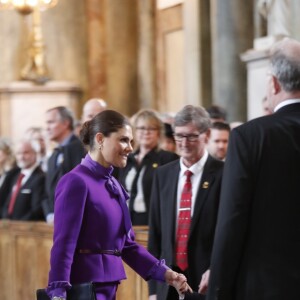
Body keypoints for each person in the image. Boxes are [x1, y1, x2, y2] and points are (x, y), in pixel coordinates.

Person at [46, 110, 190, 300]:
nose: (130, 148)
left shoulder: (113, 184)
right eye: (123, 140)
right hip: (82, 287)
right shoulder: (75, 181)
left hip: (109, 287)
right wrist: (58, 292)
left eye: (131, 141)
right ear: (100, 139)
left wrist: (166, 274)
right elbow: (64, 244)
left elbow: (127, 245)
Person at [206, 38, 300, 300]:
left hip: (266, 286)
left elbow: (232, 219)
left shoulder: (250, 137)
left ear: (274, 83)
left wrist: (217, 291)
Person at [148, 105, 224, 300]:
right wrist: (153, 290)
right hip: (168, 283)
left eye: (191, 136)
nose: (184, 142)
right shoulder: (163, 175)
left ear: (206, 135)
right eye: (179, 136)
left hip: (206, 281)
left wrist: (216, 269)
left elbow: (228, 232)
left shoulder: (224, 174)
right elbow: (156, 233)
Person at [117, 109, 178, 225]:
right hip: (127, 219)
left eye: (151, 128)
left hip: (153, 221)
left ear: (159, 132)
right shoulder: (127, 158)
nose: (146, 132)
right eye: (142, 128)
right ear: (134, 131)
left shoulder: (168, 159)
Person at [42, 106, 86, 223]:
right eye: (46, 123)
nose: (47, 128)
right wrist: (50, 214)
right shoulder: (53, 156)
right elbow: (47, 191)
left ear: (66, 123)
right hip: (54, 222)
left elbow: (81, 186)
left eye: (51, 122)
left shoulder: (80, 149)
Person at [1, 139, 45, 220]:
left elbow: (37, 209)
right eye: (18, 153)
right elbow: (7, 202)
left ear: (35, 154)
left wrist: (19, 224)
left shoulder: (41, 177)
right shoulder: (14, 176)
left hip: (27, 228)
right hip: (8, 227)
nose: (21, 157)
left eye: (26, 152)